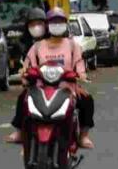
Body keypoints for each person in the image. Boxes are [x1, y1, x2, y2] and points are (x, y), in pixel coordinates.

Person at [5, 8, 95, 149]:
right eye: (53, 22)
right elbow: (28, 66)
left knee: (87, 100)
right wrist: (25, 73)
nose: (57, 24)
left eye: (60, 21)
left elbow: (79, 66)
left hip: (68, 88)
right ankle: (20, 132)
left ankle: (83, 136)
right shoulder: (38, 46)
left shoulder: (73, 45)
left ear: (66, 24)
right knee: (23, 98)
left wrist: (81, 76)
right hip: (41, 88)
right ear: (47, 25)